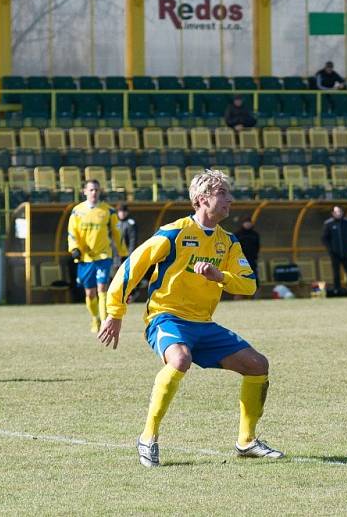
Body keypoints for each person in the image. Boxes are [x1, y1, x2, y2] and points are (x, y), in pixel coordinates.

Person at [98, 169, 283, 467]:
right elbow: (132, 267)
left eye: (228, 193)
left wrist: (219, 275)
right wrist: (115, 313)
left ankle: (246, 442)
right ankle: (148, 438)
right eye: (222, 193)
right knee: (180, 359)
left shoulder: (228, 241)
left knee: (258, 365)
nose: (230, 199)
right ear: (201, 199)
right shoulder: (174, 233)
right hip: (165, 317)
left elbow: (249, 284)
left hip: (203, 324)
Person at [68, 180, 127, 333]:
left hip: (103, 256)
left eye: (96, 190)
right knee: (90, 293)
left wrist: (123, 253)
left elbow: (117, 234)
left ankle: (105, 325)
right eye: (91, 190)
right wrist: (74, 249)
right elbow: (72, 233)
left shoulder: (108, 211)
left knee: (102, 288)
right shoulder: (77, 211)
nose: (94, 193)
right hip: (85, 258)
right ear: (85, 191)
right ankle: (95, 318)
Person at [321, 206, 347, 296]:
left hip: (346, 252)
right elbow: (324, 238)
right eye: (336, 212)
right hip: (335, 254)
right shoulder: (328, 224)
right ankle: (337, 291)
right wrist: (330, 249)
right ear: (333, 213)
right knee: (336, 273)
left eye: (340, 211)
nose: (338, 213)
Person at [234, 216, 260, 289]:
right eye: (246, 223)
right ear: (242, 224)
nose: (247, 224)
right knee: (240, 276)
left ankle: (256, 296)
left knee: (254, 277)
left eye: (249, 223)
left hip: (252, 259)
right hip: (240, 260)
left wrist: (255, 255)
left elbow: (257, 246)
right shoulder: (238, 234)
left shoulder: (255, 234)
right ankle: (238, 297)